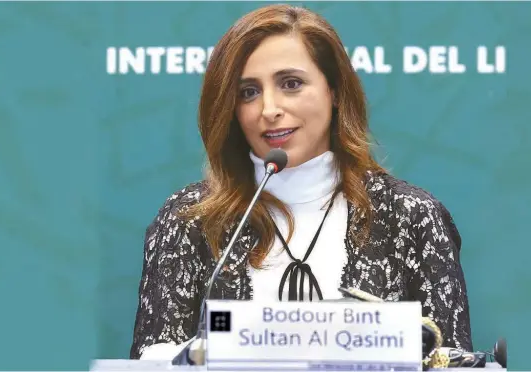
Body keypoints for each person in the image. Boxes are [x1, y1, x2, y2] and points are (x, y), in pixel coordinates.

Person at [129, 4, 472, 360]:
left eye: (290, 84)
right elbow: (148, 362)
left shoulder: (412, 217)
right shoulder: (189, 220)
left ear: (335, 91)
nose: (269, 109)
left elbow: (452, 361)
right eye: (248, 92)